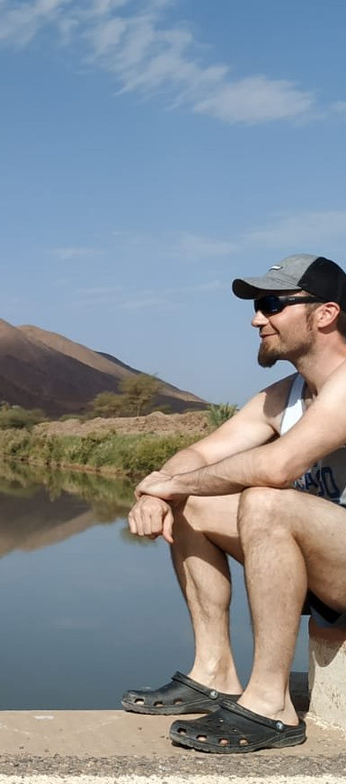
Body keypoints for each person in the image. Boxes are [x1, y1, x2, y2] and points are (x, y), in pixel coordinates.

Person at [122, 253, 346, 753]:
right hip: (331, 555)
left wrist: (170, 484)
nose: (256, 319)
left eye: (272, 305)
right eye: (256, 306)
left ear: (326, 314)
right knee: (194, 504)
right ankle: (214, 673)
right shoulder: (285, 394)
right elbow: (201, 453)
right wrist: (161, 488)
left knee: (266, 502)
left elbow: (277, 467)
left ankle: (271, 704)